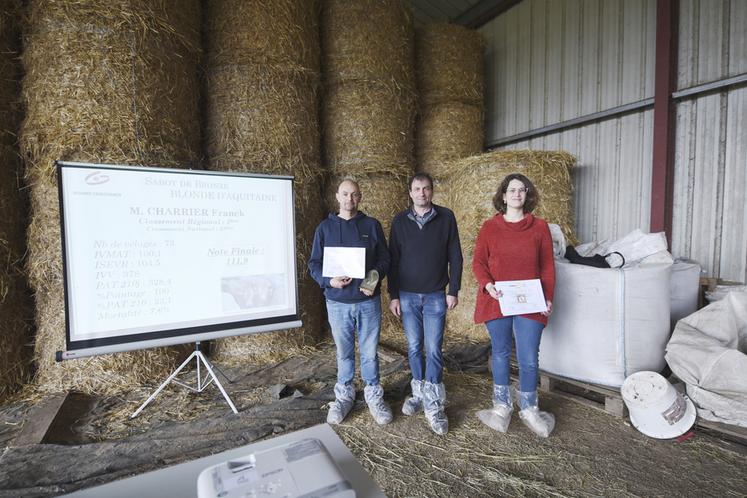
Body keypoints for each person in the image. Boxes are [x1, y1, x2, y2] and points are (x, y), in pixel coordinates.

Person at [472, 173, 556, 438]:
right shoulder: (489, 227)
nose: (517, 194)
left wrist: (548, 296)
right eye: (512, 190)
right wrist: (487, 285)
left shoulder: (540, 227)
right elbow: (478, 263)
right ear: (504, 196)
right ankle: (501, 405)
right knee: (500, 352)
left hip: (530, 301)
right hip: (498, 298)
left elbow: (547, 267)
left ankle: (530, 407)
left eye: (522, 190)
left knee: (529, 357)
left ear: (527, 196)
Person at [308, 178, 393, 426]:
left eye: (354, 195)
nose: (350, 199)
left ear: (360, 197)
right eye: (345, 194)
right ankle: (344, 396)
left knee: (369, 353)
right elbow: (314, 264)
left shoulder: (371, 225)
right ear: (337, 196)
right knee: (344, 353)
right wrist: (329, 281)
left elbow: (385, 259)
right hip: (337, 302)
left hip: (367, 301)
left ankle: (374, 396)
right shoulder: (324, 228)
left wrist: (373, 278)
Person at [388, 173, 463, 435]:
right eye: (417, 189)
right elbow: (393, 260)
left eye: (426, 189)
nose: (422, 193)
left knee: (433, 348)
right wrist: (393, 294)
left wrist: (453, 289)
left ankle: (434, 401)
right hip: (407, 295)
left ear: (432, 192)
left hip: (435, 295)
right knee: (413, 346)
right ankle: (418, 392)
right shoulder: (399, 221)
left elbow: (455, 254)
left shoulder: (446, 217)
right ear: (410, 193)